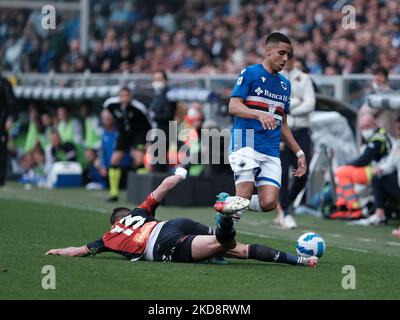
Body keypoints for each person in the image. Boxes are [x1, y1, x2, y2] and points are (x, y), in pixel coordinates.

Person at [45, 168, 319, 268]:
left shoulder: (109, 237)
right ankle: (301, 260)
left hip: (163, 244)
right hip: (173, 224)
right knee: (237, 250)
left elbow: (78, 251)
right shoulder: (141, 211)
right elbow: (164, 187)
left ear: (114, 222)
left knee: (224, 243)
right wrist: (180, 171)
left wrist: (57, 251)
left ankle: (227, 218)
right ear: (127, 214)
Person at [217, 32, 307, 224]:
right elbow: (233, 106)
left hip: (271, 150)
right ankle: (221, 241)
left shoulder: (285, 85)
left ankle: (229, 203)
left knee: (269, 203)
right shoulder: (250, 73)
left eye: (288, 55)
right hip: (245, 143)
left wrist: (299, 152)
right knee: (244, 195)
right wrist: (258, 113)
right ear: (268, 51)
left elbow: (283, 123)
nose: (285, 59)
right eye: (281, 53)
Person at [277, 52, 316, 229]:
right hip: (283, 131)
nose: (288, 61)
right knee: (283, 173)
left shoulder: (304, 78)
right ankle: (284, 210)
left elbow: (310, 104)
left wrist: (289, 108)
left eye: (291, 58)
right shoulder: (276, 77)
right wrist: (296, 103)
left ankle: (288, 203)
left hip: (300, 130)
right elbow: (277, 104)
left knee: (302, 173)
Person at [330, 113, 392, 220]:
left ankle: (354, 209)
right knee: (341, 172)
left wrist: (347, 166)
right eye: (362, 127)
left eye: (367, 126)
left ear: (374, 124)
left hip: (381, 171)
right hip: (376, 169)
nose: (364, 130)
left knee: (342, 172)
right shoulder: (375, 136)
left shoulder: (378, 138)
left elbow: (364, 160)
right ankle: (342, 206)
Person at [103, 87, 152, 202]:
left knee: (138, 160)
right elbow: (107, 111)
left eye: (127, 96)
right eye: (122, 96)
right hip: (123, 133)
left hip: (139, 134)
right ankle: (114, 193)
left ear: (131, 97)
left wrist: (149, 140)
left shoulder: (139, 108)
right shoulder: (111, 104)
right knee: (114, 160)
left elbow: (150, 123)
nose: (124, 98)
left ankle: (144, 193)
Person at [355, 115, 400, 227]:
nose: (398, 132)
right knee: (377, 178)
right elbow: (389, 165)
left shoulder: (381, 139)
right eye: (398, 128)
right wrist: (380, 169)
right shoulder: (397, 145)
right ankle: (379, 214)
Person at [148, 70, 177, 172]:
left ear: (165, 81)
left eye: (159, 79)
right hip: (156, 131)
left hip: (165, 131)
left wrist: (154, 116)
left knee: (160, 161)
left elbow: (168, 114)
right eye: (155, 79)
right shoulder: (157, 95)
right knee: (155, 159)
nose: (157, 82)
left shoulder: (169, 95)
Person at [0, 73, 16, 187]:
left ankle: (1, 178)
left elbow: (11, 103)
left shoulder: (4, 83)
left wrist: (10, 118)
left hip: (1, 123)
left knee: (1, 151)